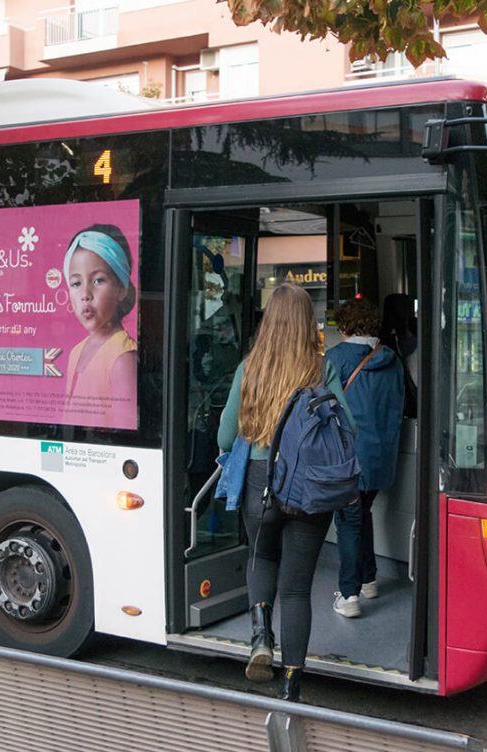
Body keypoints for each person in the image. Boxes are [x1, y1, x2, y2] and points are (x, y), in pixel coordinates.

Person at [216, 283, 352, 702]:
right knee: (296, 587)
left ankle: (260, 638)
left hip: (260, 480)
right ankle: (292, 686)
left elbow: (224, 437)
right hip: (308, 487)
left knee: (262, 557)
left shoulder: (249, 368)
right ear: (307, 324)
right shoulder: (322, 368)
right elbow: (349, 429)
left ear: (268, 322)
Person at [324, 300, 404, 618]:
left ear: (344, 328)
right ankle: (369, 580)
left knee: (347, 520)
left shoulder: (336, 358)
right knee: (362, 514)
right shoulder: (392, 359)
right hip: (381, 456)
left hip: (348, 458)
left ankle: (349, 595)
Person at [63, 224, 138, 429]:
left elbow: (125, 429)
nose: (85, 294)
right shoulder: (75, 352)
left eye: (98, 280)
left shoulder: (123, 356)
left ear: (121, 289)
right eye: (76, 283)